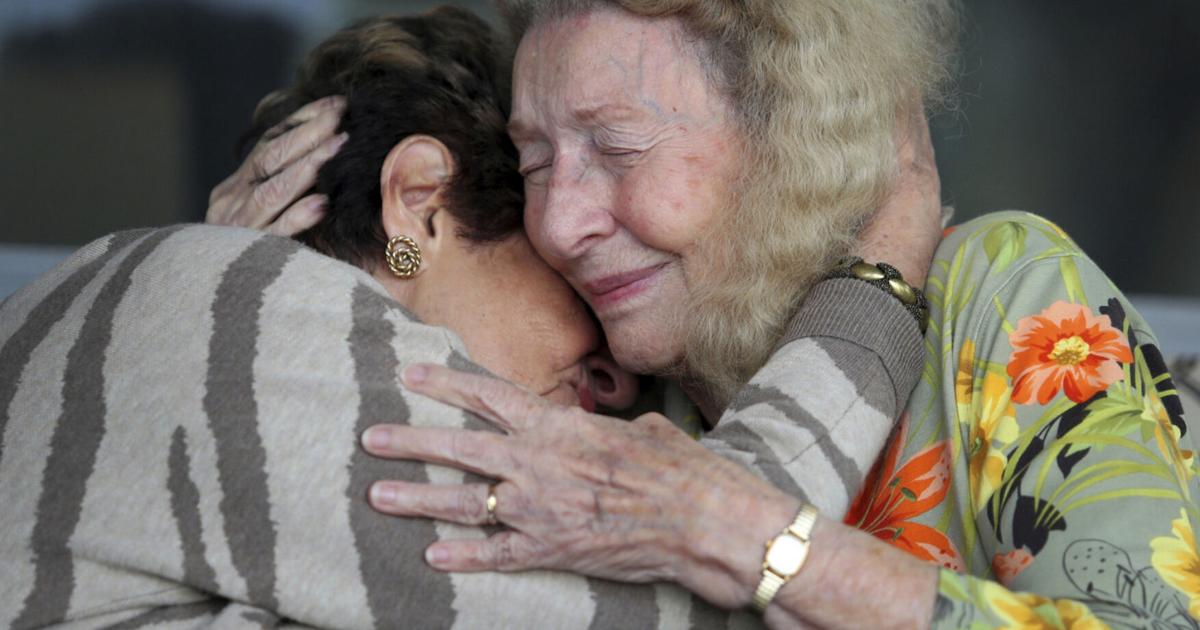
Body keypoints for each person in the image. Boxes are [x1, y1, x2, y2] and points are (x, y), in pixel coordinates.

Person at [223, 2, 1195, 628]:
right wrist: (217, 283)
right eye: (534, 164)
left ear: (786, 137)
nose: (560, 222)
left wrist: (751, 533)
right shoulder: (621, 392)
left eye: (619, 146)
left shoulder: (997, 289)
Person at [1, 7, 930, 628]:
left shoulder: (190, 313)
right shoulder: (253, 315)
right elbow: (718, 568)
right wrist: (885, 265)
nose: (618, 382)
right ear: (416, 203)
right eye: (578, 296)